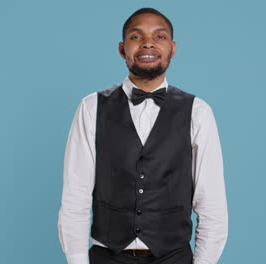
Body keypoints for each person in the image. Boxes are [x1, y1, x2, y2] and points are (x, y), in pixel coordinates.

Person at [58, 7, 228, 264]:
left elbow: (211, 204)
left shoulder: (198, 112)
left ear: (172, 48)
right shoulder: (91, 107)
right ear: (121, 48)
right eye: (136, 37)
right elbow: (75, 198)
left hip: (174, 257)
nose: (148, 42)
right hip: (107, 257)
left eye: (159, 36)